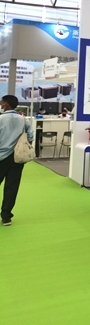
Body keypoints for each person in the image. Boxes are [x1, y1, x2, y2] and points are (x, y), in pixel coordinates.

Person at [0, 94, 34, 226]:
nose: (0, 105)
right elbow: (30, 135)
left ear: (6, 104)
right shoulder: (23, 120)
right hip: (17, 158)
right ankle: (6, 217)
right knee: (12, 187)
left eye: (1, 103)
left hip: (1, 157)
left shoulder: (1, 119)